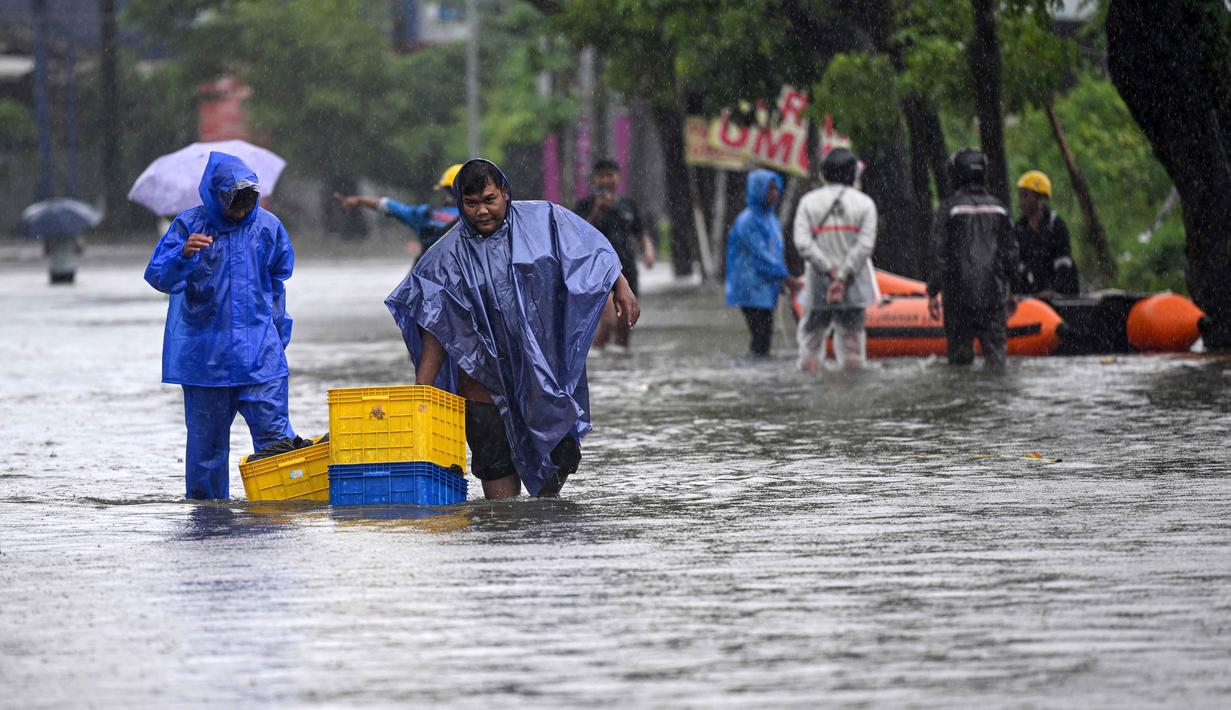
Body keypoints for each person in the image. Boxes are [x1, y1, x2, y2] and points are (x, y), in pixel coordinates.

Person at [386, 159, 639, 500]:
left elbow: (587, 251)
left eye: (489, 200)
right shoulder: (444, 259)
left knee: (549, 498)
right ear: (460, 202)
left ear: (505, 192)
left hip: (541, 388)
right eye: (471, 203)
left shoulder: (544, 222)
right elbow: (436, 331)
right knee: (501, 510)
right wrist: (420, 399)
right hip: (483, 396)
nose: (481, 211)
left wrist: (619, 284)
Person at [144, 151, 296, 499]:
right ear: (215, 197)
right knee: (206, 457)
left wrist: (277, 339)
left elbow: (276, 282)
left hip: (260, 357)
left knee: (278, 446)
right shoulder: (189, 226)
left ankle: (281, 517)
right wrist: (182, 254)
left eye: (248, 203)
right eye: (234, 203)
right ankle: (210, 524)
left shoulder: (268, 227)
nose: (242, 212)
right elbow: (158, 276)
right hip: (206, 362)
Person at [926, 149, 1021, 369]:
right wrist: (1014, 290)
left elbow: (938, 253)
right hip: (993, 297)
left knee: (959, 366)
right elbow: (1011, 253)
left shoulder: (949, 209)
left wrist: (933, 291)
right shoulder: (1000, 209)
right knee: (997, 362)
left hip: (958, 299)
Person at [792, 148, 879, 373]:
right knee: (853, 348)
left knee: (810, 345)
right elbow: (865, 245)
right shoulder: (865, 204)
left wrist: (829, 270)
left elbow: (802, 242)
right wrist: (842, 276)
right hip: (853, 284)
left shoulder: (808, 202)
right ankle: (851, 397)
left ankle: (811, 393)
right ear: (852, 173)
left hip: (819, 284)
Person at [574, 158, 655, 354]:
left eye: (610, 175)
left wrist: (648, 250)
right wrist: (597, 210)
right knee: (608, 321)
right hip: (597, 273)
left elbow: (641, 232)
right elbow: (577, 236)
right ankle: (592, 366)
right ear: (594, 180)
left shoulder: (628, 205)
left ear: (618, 178)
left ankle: (619, 373)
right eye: (601, 176)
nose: (606, 180)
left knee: (626, 326)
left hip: (627, 271)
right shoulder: (585, 205)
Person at [725, 169, 799, 357]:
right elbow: (761, 256)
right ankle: (754, 379)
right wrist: (786, 277)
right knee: (761, 339)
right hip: (751, 290)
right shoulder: (747, 221)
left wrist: (781, 280)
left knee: (764, 340)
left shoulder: (771, 219)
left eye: (776, 189)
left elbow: (775, 253)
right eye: (770, 189)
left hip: (767, 289)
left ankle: (758, 377)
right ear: (758, 190)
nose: (775, 194)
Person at [334, 163, 463, 254]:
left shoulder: (425, 215)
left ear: (446, 191)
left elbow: (391, 207)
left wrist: (359, 200)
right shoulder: (476, 219)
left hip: (427, 280)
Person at [1015, 170, 1080, 296]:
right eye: (1020, 196)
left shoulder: (1055, 224)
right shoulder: (1019, 228)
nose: (1021, 201)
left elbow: (1064, 264)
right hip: (1034, 295)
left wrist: (1052, 291)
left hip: (1060, 296)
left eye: (1026, 196)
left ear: (1039, 198)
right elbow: (1019, 265)